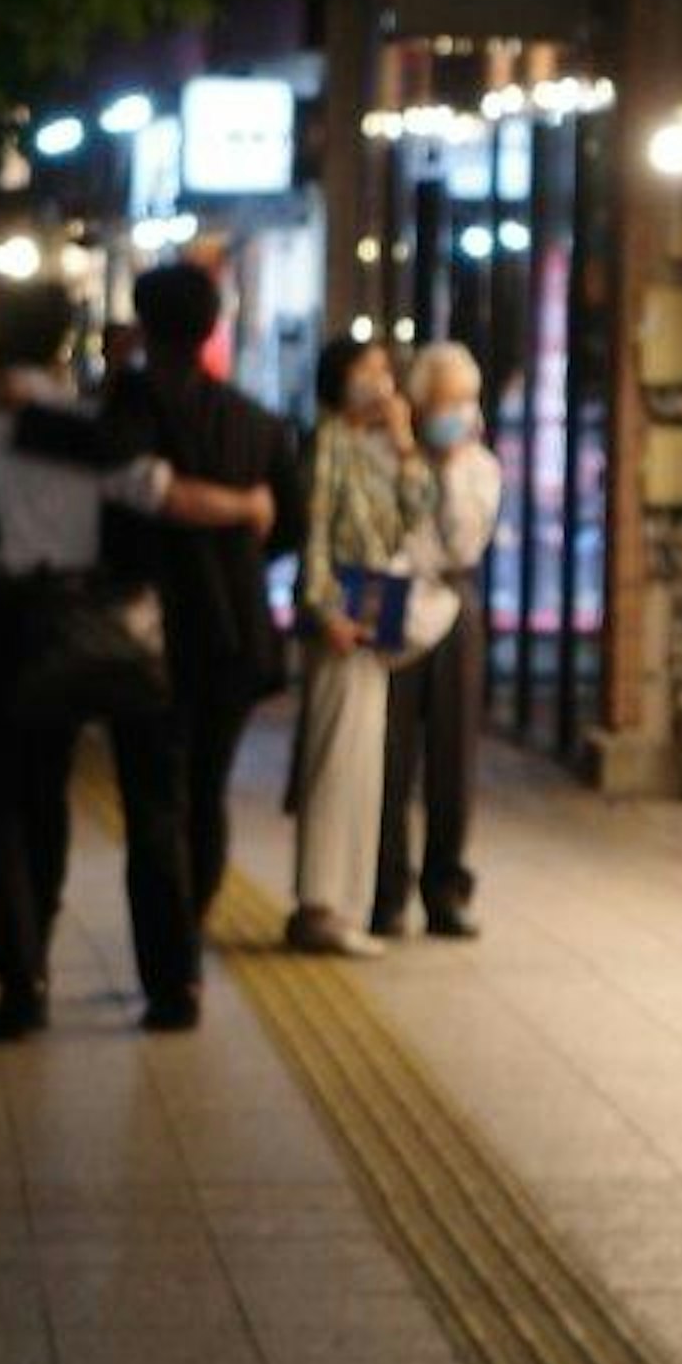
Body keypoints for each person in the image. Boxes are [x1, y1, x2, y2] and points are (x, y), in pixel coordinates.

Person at [0, 280, 275, 1041]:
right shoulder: (87, 426)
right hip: (64, 631)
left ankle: (19, 974)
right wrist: (250, 506)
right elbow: (163, 495)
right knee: (44, 795)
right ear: (64, 342)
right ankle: (59, 951)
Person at [82, 261, 308, 1029]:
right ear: (213, 326)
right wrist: (242, 529)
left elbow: (111, 502)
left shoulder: (122, 411)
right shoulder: (258, 421)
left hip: (141, 639)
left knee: (153, 803)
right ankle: (192, 933)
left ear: (144, 326)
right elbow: (292, 526)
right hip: (237, 636)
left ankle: (171, 979)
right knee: (205, 793)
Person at [287, 335, 434, 958]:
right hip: (342, 622)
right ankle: (319, 905)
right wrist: (324, 611)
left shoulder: (376, 450)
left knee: (364, 765)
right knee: (334, 761)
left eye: (384, 369)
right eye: (368, 369)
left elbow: (417, 511)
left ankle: (346, 903)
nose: (381, 380)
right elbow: (314, 530)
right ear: (340, 378)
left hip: (377, 614)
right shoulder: (327, 442)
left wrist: (404, 443)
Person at [375, 340, 502, 941]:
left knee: (452, 762)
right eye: (444, 400)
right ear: (419, 402)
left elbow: (461, 543)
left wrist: (447, 466)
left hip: (452, 605)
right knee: (388, 759)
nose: (456, 411)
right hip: (394, 605)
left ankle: (446, 890)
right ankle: (385, 891)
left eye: (465, 401)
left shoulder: (479, 467)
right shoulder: (390, 453)